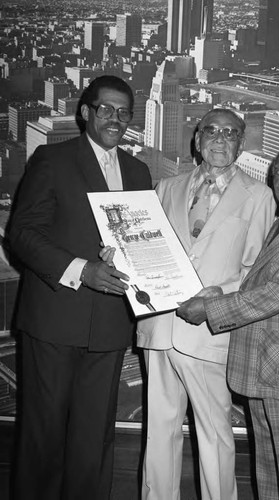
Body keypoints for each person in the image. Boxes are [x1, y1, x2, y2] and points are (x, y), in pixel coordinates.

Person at [8, 75, 152, 500]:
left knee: (94, 439)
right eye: (105, 109)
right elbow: (23, 234)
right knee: (43, 436)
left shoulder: (138, 170)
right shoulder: (52, 160)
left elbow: (142, 244)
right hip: (55, 319)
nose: (115, 118)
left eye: (124, 112)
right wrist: (80, 270)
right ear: (86, 113)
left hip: (109, 325)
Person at [177, 143, 279, 500]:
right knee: (270, 480)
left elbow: (277, 295)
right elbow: (263, 285)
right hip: (271, 373)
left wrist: (212, 310)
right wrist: (218, 295)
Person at [137, 108, 275, 500]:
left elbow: (255, 272)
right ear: (197, 140)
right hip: (160, 327)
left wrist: (214, 301)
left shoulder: (259, 196)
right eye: (211, 131)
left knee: (214, 435)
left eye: (230, 133)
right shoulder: (166, 187)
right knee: (159, 432)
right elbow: (148, 251)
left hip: (210, 332)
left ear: (241, 144)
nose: (219, 138)